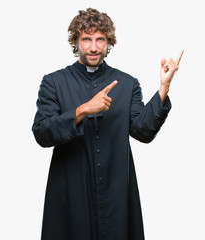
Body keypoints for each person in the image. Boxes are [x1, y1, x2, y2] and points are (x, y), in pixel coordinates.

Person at [32, 8, 183, 240]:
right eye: (86, 39)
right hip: (71, 191)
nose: (93, 47)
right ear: (76, 41)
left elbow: (142, 131)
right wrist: (83, 110)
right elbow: (42, 133)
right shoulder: (54, 82)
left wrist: (163, 88)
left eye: (100, 39)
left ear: (108, 42)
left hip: (116, 190)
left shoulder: (126, 82)